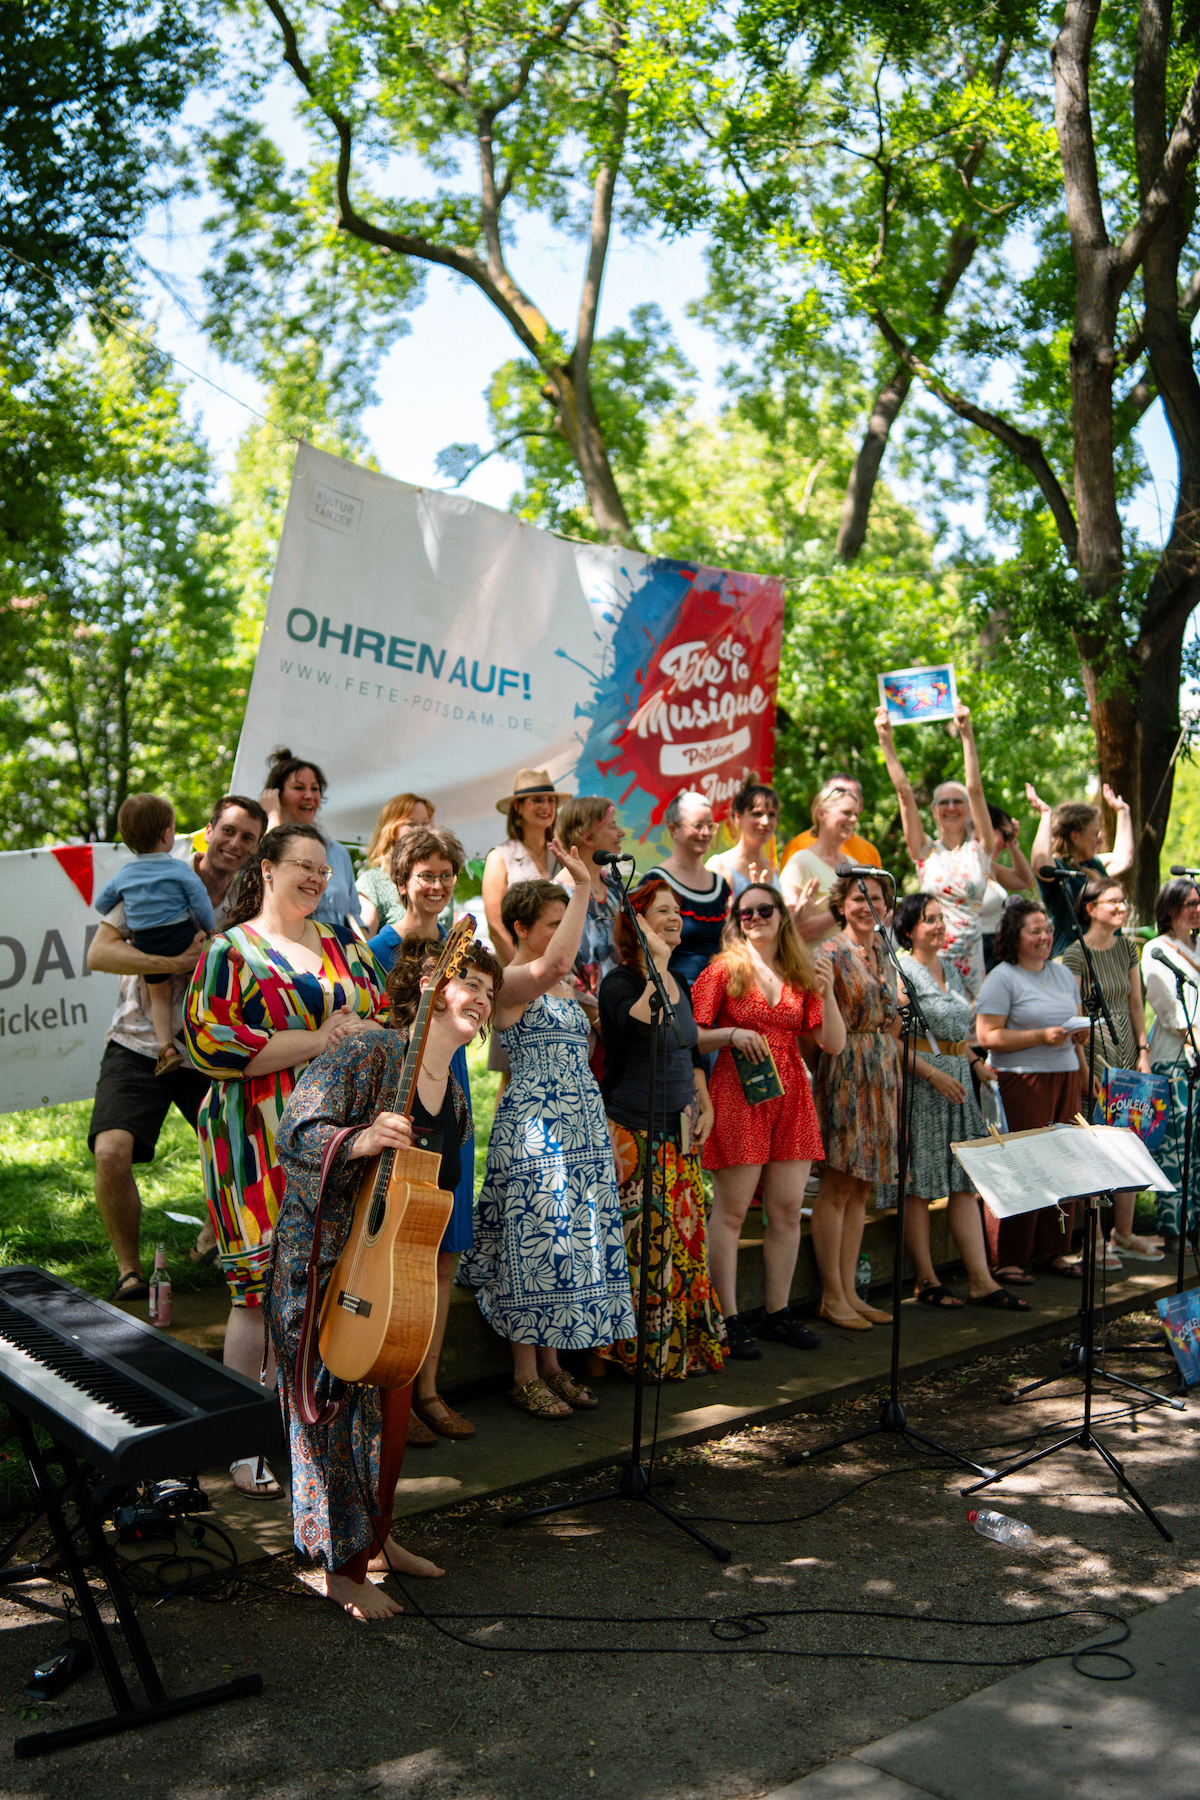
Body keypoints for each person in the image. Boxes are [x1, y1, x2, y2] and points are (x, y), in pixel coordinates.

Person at [267, 935, 502, 1620]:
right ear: (428, 984)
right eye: (469, 981)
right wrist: (361, 1139)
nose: (482, 996)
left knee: (392, 1419)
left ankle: (377, 1540)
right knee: (336, 1421)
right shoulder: (367, 1053)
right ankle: (337, 1570)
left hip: (395, 1277)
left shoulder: (453, 1093)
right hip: (327, 1267)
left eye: (490, 988)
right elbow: (295, 1132)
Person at [184, 823, 387, 1497]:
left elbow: (381, 1012)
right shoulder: (230, 951)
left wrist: (361, 1036)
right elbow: (208, 1044)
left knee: (323, 1282)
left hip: (335, 1138)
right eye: (303, 866)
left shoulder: (345, 945)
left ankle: (307, 1435)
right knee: (256, 1288)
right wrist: (317, 1040)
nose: (315, 879)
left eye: (323, 871)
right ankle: (242, 1444)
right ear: (266, 869)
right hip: (253, 1139)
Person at [458, 860, 637, 1417]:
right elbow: (556, 960)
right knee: (534, 1245)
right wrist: (584, 884)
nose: (564, 931)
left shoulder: (563, 985)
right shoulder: (510, 980)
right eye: (552, 921)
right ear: (520, 929)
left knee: (570, 1243)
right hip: (535, 1126)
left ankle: (554, 1365)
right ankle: (523, 1374)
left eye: (567, 919)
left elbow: (582, 1055)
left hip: (580, 1119)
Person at [87, 795, 267, 1300]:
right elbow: (100, 952)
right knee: (111, 1153)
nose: (235, 843)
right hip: (139, 1041)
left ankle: (218, 1238)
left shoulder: (254, 899)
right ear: (206, 831)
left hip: (213, 1045)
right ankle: (129, 1271)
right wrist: (173, 963)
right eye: (228, 831)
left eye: (247, 837)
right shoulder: (155, 873)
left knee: (242, 1149)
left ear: (256, 849)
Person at [691, 882, 846, 1356]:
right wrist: (732, 1033)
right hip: (738, 1090)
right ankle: (729, 1316)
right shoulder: (723, 969)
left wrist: (831, 992)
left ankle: (778, 1312)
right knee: (733, 1211)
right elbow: (690, 1035)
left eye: (764, 910)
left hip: (792, 1095)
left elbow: (833, 1044)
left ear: (781, 915)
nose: (754, 918)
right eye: (745, 913)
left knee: (784, 1210)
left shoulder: (802, 972)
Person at [364, 826, 481, 1444]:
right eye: (424, 875)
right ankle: (391, 1395)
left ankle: (427, 1391)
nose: (436, 886)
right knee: (399, 1258)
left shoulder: (463, 944)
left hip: (454, 1104)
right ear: (402, 881)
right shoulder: (376, 950)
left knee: (443, 1258)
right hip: (403, 1110)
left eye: (445, 875)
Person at [597, 877, 724, 1379]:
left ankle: (683, 1348)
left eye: (678, 911)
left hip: (679, 1129)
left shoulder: (681, 980)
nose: (676, 917)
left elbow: (688, 1049)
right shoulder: (620, 982)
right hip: (634, 1132)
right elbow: (642, 1028)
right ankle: (641, 1356)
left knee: (685, 1247)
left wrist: (705, 1101)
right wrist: (657, 963)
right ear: (638, 923)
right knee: (644, 1251)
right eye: (664, 911)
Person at [892, 893, 1028, 1311]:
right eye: (928, 919)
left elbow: (956, 1035)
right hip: (922, 1087)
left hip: (958, 1086)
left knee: (963, 1186)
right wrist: (932, 1073)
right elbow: (893, 1041)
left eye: (940, 918)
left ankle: (980, 1280)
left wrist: (976, 1065)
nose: (937, 925)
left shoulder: (950, 968)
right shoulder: (901, 970)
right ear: (909, 928)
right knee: (917, 1187)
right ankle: (926, 1280)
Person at [974, 897, 1091, 1282]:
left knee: (1062, 1164)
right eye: (1035, 930)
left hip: (1066, 1076)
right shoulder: (1002, 978)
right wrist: (1040, 1035)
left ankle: (1053, 1249)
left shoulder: (1061, 974)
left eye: (1048, 929)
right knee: (1022, 1167)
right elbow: (987, 1036)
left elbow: (1072, 1032)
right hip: (1021, 1079)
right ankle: (1008, 1257)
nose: (1045, 936)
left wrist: (1082, 1056)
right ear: (1015, 935)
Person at [809, 874, 901, 1329]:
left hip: (881, 1069)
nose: (868, 905)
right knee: (840, 1182)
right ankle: (831, 1294)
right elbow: (816, 1025)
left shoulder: (886, 952)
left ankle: (850, 1290)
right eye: (858, 898)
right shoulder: (829, 953)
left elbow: (896, 1017)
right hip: (846, 1068)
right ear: (842, 905)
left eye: (876, 898)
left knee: (863, 1185)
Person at [1060, 877, 1161, 1267]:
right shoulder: (1075, 954)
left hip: (1127, 1051)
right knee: (1095, 1145)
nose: (1122, 908)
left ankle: (1125, 1231)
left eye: (1124, 902)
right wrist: (1084, 1067)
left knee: (1129, 1141)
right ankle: (1095, 1238)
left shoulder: (1128, 949)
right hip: (1094, 1049)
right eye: (1113, 902)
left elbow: (1136, 1003)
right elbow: (1074, 1018)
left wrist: (1143, 1051)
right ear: (1091, 908)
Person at [875, 699, 996, 997]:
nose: (952, 807)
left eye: (958, 801)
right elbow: (904, 794)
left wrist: (966, 734)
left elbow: (976, 788)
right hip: (932, 957)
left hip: (972, 961)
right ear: (933, 809)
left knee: (971, 1040)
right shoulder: (925, 851)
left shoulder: (981, 848)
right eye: (944, 802)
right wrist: (886, 741)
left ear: (968, 810)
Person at [92, 794, 217, 1077]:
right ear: (166, 834)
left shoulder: (124, 874)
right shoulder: (178, 868)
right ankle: (203, 1037)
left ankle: (166, 1048)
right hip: (180, 935)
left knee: (158, 996)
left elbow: (102, 903)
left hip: (147, 943)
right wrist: (207, 927)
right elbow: (199, 900)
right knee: (199, 983)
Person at [1141, 878, 1200, 1251]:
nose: (1196, 908)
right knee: (1177, 1151)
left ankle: (1196, 1224)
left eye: (1199, 902)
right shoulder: (1156, 950)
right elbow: (1168, 1010)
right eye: (1188, 903)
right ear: (1169, 908)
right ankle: (1174, 1229)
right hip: (1176, 1061)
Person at [1026, 783, 1134, 958]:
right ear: (1075, 836)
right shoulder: (1058, 869)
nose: (1099, 841)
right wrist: (1046, 815)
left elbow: (1124, 859)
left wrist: (1123, 812)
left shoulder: (1094, 865)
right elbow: (1039, 863)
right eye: (1095, 834)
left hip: (1108, 955)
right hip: (1074, 958)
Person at [259, 747, 362, 930]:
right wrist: (272, 817)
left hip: (333, 955)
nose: (309, 796)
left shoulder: (337, 852)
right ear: (275, 794)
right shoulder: (257, 845)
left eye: (315, 789)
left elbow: (354, 918)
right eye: (298, 788)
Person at [481, 769, 568, 964]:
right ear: (518, 807)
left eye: (551, 800)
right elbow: (495, 927)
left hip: (564, 968)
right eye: (537, 800)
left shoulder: (563, 854)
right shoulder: (499, 857)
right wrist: (527, 973)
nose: (546, 806)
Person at [555, 794, 625, 1021]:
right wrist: (597, 1020)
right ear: (588, 837)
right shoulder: (556, 896)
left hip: (622, 1014)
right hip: (584, 1026)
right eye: (612, 827)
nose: (620, 833)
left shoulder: (614, 886)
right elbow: (559, 968)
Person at [652, 792, 731, 985]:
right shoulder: (656, 883)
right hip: (676, 994)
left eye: (710, 826)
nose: (705, 833)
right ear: (674, 829)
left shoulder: (720, 885)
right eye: (698, 826)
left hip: (719, 993)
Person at [780, 778, 869, 946]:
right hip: (813, 967)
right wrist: (841, 910)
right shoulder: (801, 863)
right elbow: (793, 928)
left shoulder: (854, 865)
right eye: (846, 813)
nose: (853, 819)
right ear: (821, 814)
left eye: (856, 814)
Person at [357, 793, 435, 933]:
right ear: (391, 831)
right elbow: (363, 942)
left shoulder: (440, 877)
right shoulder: (372, 880)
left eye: (425, 823)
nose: (421, 830)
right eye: (411, 824)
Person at [780, 772, 881, 869]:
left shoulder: (868, 853)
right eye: (838, 793)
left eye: (852, 795)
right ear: (822, 811)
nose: (846, 797)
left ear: (860, 804)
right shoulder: (798, 848)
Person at [980, 804, 1033, 973]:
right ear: (986, 827)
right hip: (977, 950)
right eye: (1005, 834)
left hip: (997, 949)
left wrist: (1013, 844)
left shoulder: (990, 867)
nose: (1006, 841)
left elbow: (1026, 880)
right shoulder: (965, 865)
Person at [705, 778, 782, 897]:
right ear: (738, 817)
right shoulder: (720, 866)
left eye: (771, 815)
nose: (766, 821)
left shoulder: (772, 869)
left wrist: (799, 913)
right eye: (757, 814)